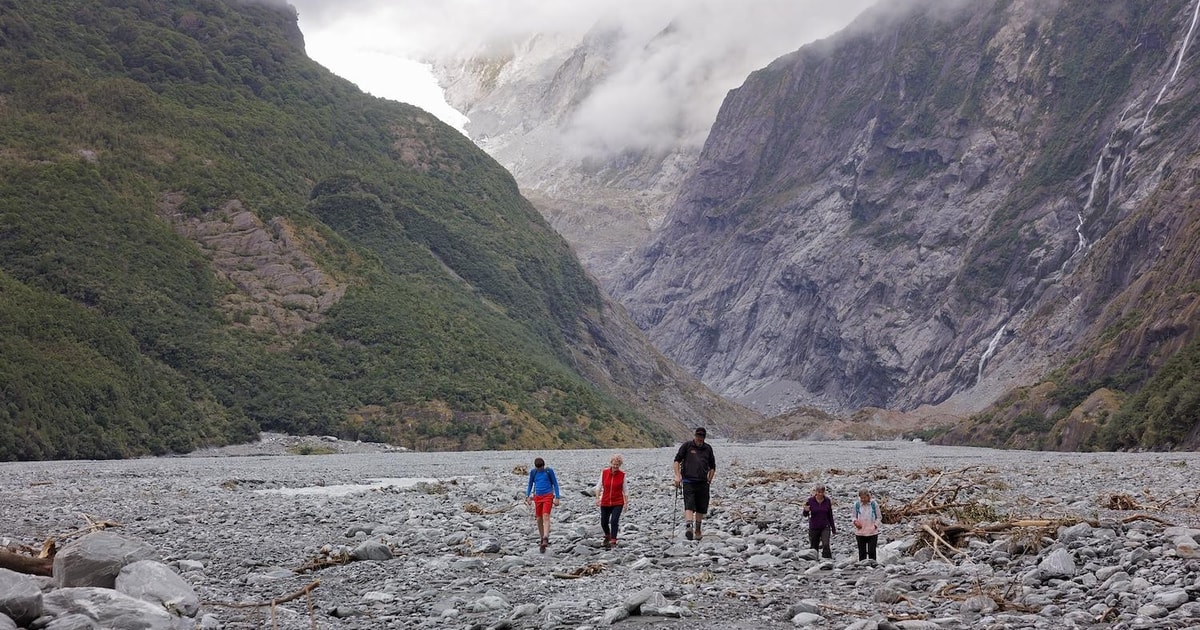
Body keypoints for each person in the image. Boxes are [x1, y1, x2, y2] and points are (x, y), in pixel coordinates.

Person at [673, 427, 716, 541]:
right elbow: (677, 460)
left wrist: (709, 479)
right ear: (695, 435)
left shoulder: (708, 449)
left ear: (704, 437)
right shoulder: (687, 446)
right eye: (698, 436)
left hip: (703, 482)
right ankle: (689, 527)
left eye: (702, 436)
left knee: (701, 507)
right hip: (688, 480)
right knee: (689, 504)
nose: (699, 438)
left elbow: (712, 466)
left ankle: (697, 529)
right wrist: (677, 475)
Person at [524, 457, 561, 553]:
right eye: (538, 468)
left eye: (541, 468)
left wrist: (557, 497)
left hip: (548, 496)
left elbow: (555, 484)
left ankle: (545, 537)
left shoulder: (549, 471)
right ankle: (541, 538)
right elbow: (530, 484)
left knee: (546, 516)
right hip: (537, 497)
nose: (539, 469)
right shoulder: (533, 472)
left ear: (543, 466)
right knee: (539, 518)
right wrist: (527, 496)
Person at [595, 453, 628, 549]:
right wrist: (597, 498)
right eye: (614, 464)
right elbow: (598, 487)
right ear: (611, 463)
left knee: (614, 520)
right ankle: (607, 535)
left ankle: (613, 539)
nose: (615, 466)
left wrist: (626, 503)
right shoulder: (604, 473)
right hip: (605, 501)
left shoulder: (622, 475)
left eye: (617, 465)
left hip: (617, 502)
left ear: (620, 465)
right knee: (603, 522)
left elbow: (625, 490)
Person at [802, 483, 836, 559]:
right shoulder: (810, 500)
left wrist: (833, 528)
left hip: (825, 526)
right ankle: (813, 562)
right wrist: (806, 510)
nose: (820, 494)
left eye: (822, 492)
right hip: (814, 526)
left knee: (826, 544)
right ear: (816, 492)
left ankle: (827, 561)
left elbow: (830, 515)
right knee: (814, 546)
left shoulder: (827, 500)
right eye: (819, 492)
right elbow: (805, 514)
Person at [852, 488, 882, 562]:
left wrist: (875, 525)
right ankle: (862, 568)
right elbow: (853, 516)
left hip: (872, 532)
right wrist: (855, 522)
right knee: (862, 553)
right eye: (861, 498)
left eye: (864, 497)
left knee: (872, 551)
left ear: (868, 496)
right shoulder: (857, 505)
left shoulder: (874, 504)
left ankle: (873, 567)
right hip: (860, 532)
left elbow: (879, 517)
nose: (863, 499)